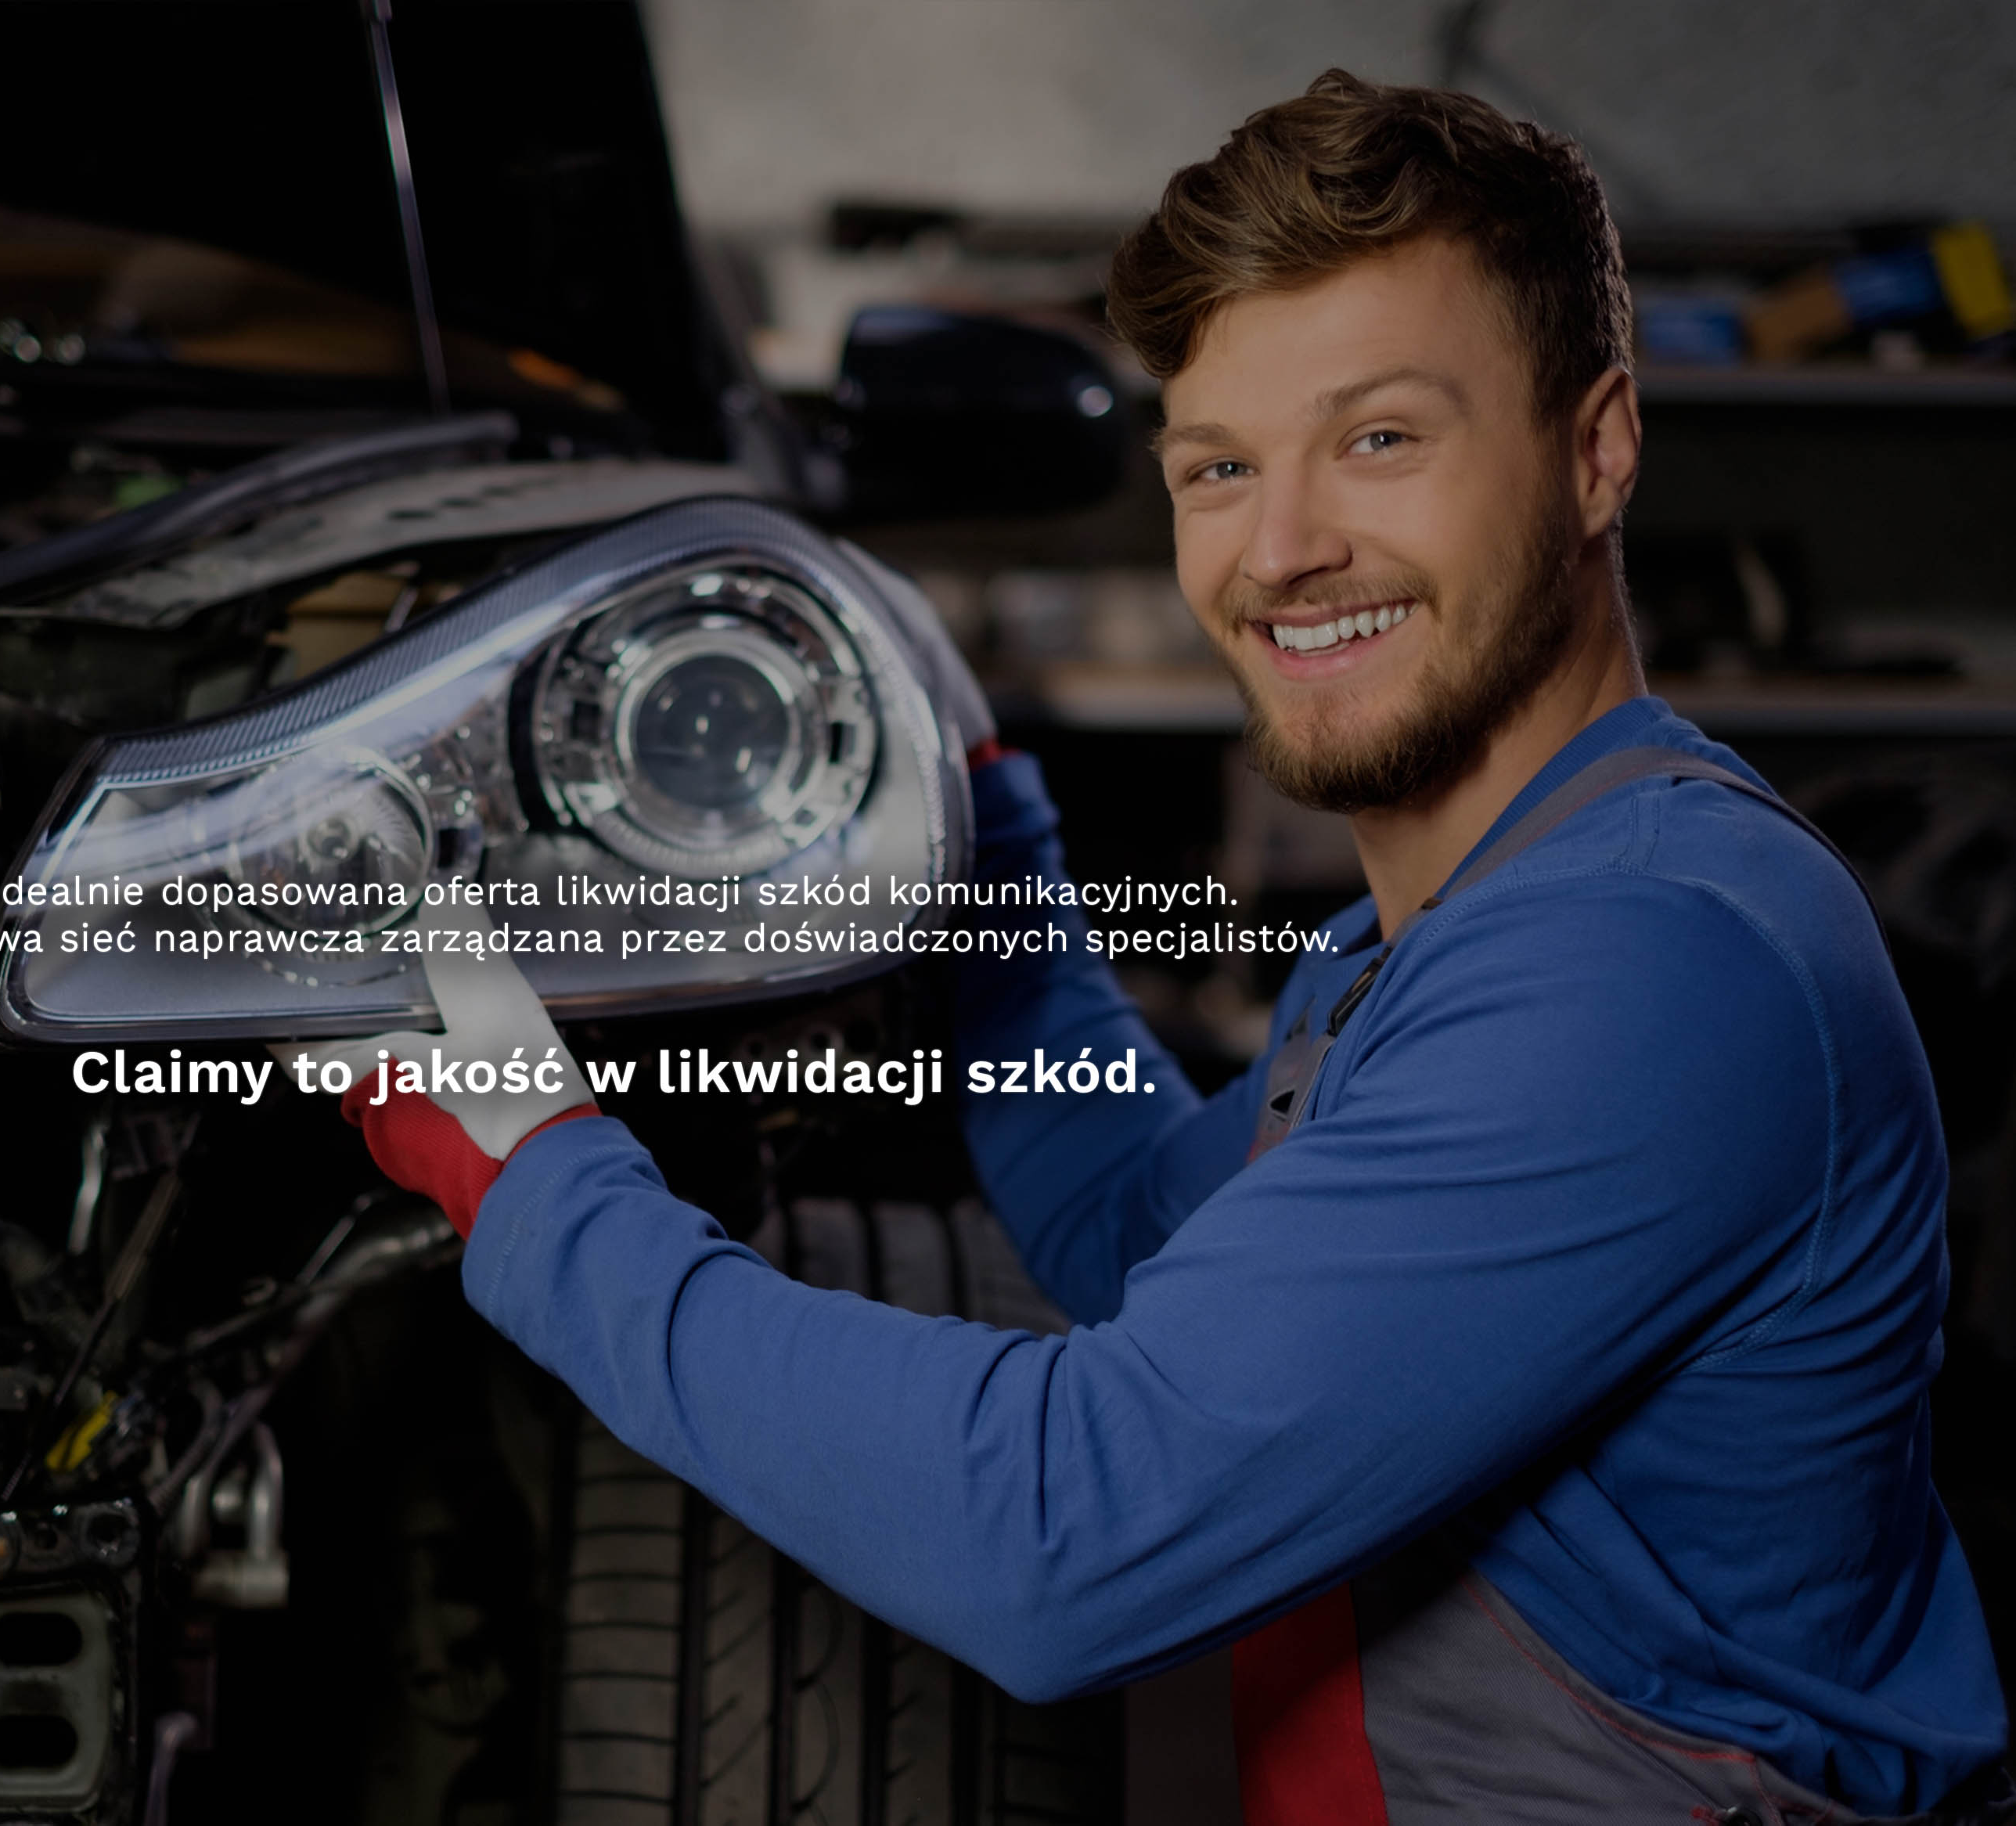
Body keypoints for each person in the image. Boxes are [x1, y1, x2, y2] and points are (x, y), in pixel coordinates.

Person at [304, 72, 2011, 1822]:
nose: (1281, 551)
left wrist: (540, 1188)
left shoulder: (1652, 966)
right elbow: (1131, 1235)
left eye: (1379, 440)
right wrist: (990, 849)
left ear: (1597, 448)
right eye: (1218, 466)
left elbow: (1066, 1537)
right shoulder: (1456, 931)